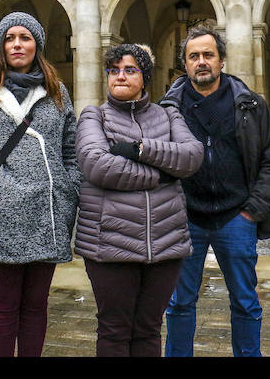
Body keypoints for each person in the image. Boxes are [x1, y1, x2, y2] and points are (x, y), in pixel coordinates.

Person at [0, 11, 81, 357]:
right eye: (10, 38)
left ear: (36, 44)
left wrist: (69, 190)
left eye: (25, 37)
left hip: (48, 212)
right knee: (4, 306)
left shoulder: (56, 91)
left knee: (37, 305)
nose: (17, 44)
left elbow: (72, 149)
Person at [159, 25, 270, 357]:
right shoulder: (166, 110)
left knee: (245, 301)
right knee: (179, 303)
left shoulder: (251, 105)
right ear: (184, 64)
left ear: (220, 60)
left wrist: (253, 210)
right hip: (185, 219)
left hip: (236, 217)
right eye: (194, 56)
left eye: (208, 55)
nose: (201, 62)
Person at [75, 43, 204, 356]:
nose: (120, 76)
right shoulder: (94, 116)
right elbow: (96, 164)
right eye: (114, 70)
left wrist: (140, 150)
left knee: (149, 330)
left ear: (144, 78)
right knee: (114, 331)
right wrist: (161, 176)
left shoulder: (168, 115)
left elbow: (192, 156)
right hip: (109, 245)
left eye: (130, 70)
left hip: (165, 244)